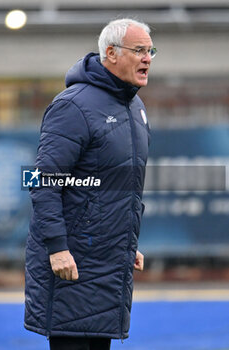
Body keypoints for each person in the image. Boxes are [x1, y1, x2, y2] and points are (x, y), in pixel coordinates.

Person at [24, 18, 156, 350]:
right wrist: (57, 248)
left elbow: (115, 188)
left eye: (151, 50)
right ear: (110, 53)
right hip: (74, 263)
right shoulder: (73, 105)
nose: (148, 58)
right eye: (139, 50)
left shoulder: (135, 108)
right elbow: (44, 181)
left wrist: (125, 238)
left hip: (108, 260)